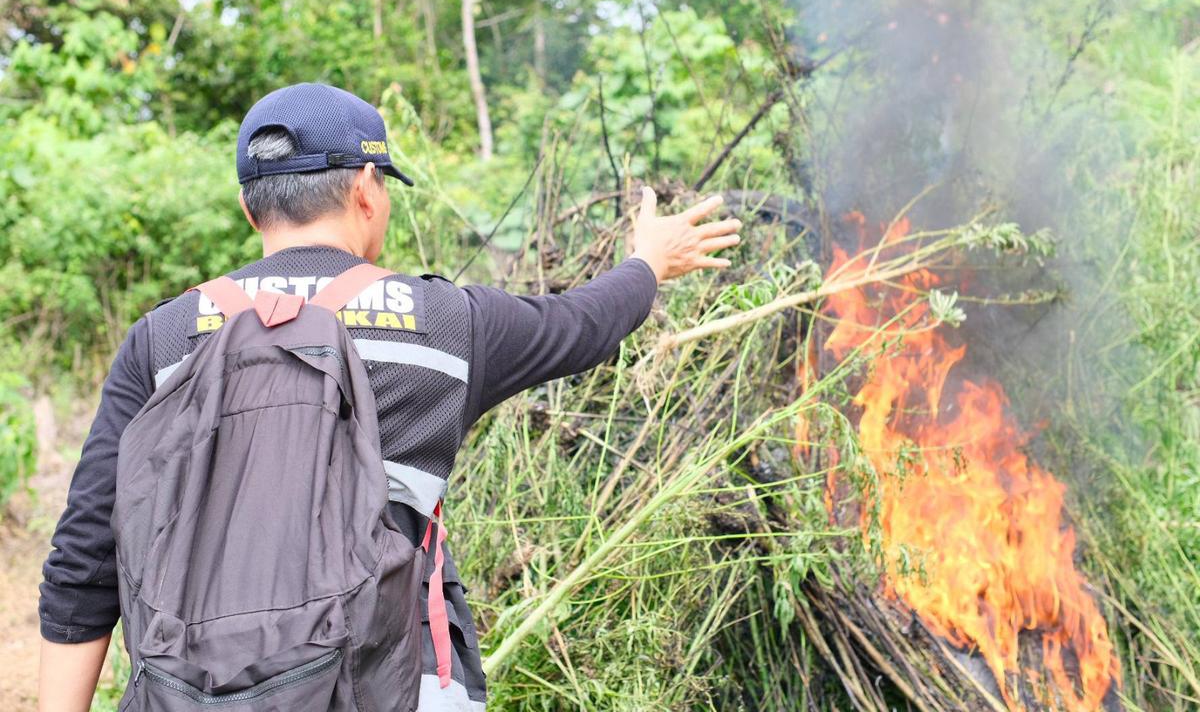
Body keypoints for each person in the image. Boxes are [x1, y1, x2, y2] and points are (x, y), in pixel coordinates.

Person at [37, 82, 742, 711]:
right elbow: (586, 323)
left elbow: (85, 559)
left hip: (192, 692)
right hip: (400, 686)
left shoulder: (161, 341)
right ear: (368, 189)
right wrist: (650, 259)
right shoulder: (445, 326)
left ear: (251, 209)